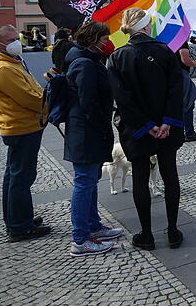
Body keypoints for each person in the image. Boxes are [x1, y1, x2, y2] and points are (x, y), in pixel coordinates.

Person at [107, 8, 185, 250]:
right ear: (146, 26)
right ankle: (173, 231)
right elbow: (176, 89)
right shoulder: (164, 51)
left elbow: (121, 98)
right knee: (170, 174)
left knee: (140, 176)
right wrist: (166, 121)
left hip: (137, 129)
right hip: (166, 127)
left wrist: (145, 125)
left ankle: (147, 234)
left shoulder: (118, 57)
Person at [64, 21, 123, 257]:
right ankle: (80, 240)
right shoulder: (85, 64)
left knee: (90, 180)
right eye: (103, 38)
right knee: (84, 182)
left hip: (86, 130)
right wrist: (102, 126)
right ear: (92, 39)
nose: (106, 42)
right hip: (86, 131)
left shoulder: (87, 59)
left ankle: (93, 226)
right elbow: (89, 102)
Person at [0, 24, 51, 242]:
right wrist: (52, 106)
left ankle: (16, 218)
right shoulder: (4, 68)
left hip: (21, 125)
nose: (15, 43)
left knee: (14, 175)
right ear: (0, 44)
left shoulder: (12, 62)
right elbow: (29, 98)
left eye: (15, 37)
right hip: (21, 126)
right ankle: (20, 226)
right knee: (21, 177)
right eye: (10, 40)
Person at [176, 40, 196, 142]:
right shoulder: (182, 42)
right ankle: (189, 132)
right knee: (188, 102)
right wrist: (194, 63)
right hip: (182, 75)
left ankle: (179, 132)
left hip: (173, 75)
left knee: (179, 104)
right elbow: (185, 60)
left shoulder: (170, 40)